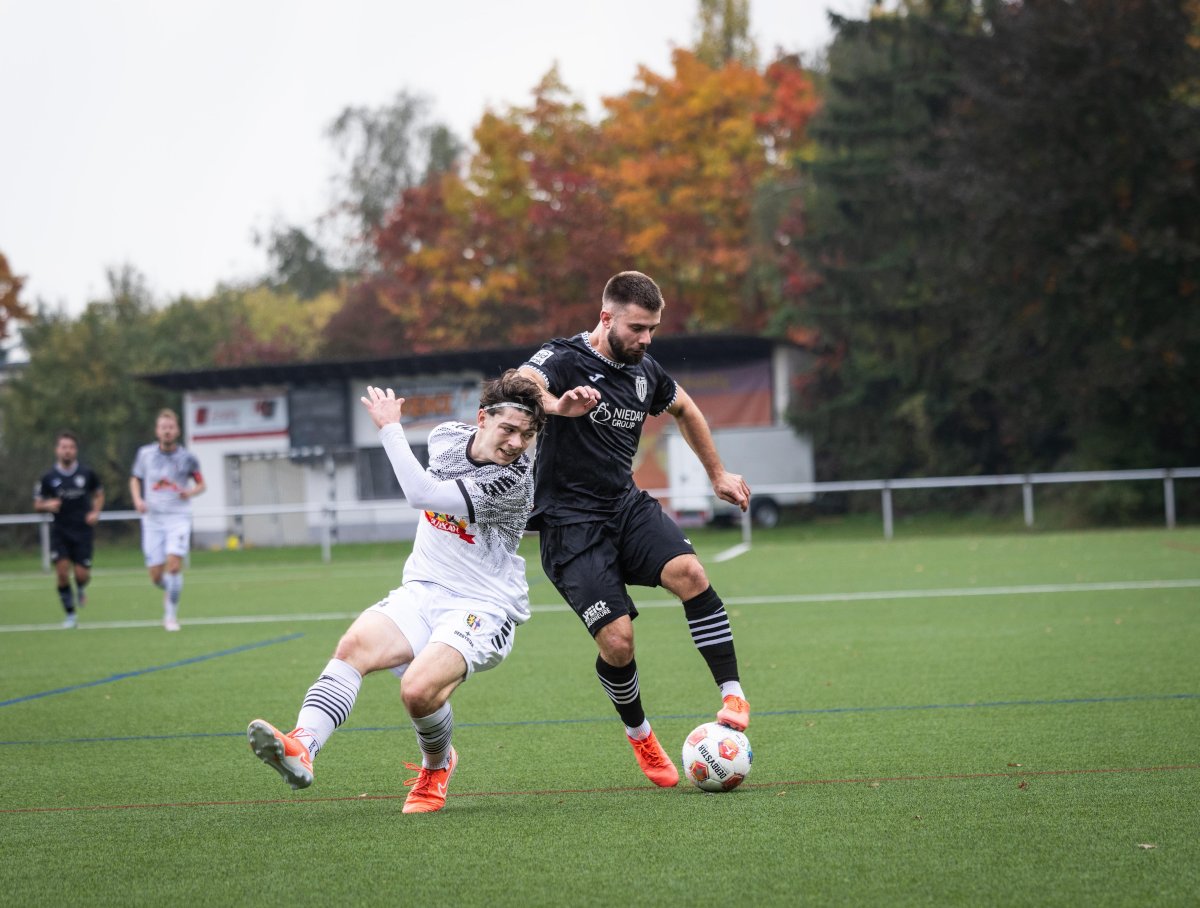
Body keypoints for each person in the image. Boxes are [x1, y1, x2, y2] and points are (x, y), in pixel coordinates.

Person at [247, 370, 560, 814]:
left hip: (483, 606)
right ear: (482, 419)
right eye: (508, 429)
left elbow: (421, 493)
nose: (515, 443)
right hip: (423, 589)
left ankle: (436, 767)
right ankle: (302, 747)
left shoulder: (514, 484)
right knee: (354, 646)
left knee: (417, 691)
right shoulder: (446, 436)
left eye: (527, 436)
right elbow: (428, 482)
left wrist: (390, 428)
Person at [518, 270, 753, 788]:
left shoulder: (646, 371)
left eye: (653, 329)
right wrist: (556, 405)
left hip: (624, 507)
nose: (647, 340)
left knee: (690, 572)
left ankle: (732, 693)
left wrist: (717, 473)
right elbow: (521, 384)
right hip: (569, 526)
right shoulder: (562, 360)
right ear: (607, 318)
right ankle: (641, 734)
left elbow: (685, 408)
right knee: (619, 643)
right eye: (638, 328)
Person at [129, 408, 206, 631]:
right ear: (157, 431)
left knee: (173, 565)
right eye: (163, 428)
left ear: (177, 430)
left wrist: (189, 493)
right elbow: (135, 479)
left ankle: (170, 616)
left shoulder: (187, 458)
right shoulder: (145, 454)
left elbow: (201, 484)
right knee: (156, 576)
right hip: (152, 519)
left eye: (171, 427)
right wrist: (137, 499)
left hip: (178, 517)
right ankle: (171, 588)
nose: (167, 432)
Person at [33, 430, 105, 629]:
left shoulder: (86, 473)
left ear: (76, 450)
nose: (67, 451)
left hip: (83, 532)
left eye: (71, 447)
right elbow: (37, 504)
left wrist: (95, 512)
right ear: (57, 450)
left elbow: (99, 494)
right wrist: (47, 505)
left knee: (82, 574)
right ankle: (70, 615)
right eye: (64, 447)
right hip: (60, 532)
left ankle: (81, 588)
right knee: (62, 573)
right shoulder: (48, 477)